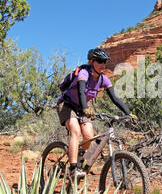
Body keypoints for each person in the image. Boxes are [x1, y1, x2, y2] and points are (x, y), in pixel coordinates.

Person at [56, 47, 136, 179]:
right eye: (99, 61)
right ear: (91, 61)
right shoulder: (84, 73)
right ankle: (73, 168)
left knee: (89, 136)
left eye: (104, 62)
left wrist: (129, 113)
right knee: (75, 131)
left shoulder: (103, 79)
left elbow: (115, 99)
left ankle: (79, 155)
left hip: (81, 108)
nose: (102, 65)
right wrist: (86, 108)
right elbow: (81, 91)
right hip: (67, 104)